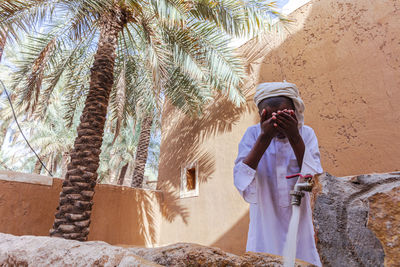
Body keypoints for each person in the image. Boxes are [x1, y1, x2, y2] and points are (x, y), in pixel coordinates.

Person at [233, 81, 322, 266]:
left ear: (295, 112)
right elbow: (241, 179)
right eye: (270, 118)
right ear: (261, 116)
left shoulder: (306, 134)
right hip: (264, 225)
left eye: (284, 116)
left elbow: (311, 179)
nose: (278, 125)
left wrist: (294, 136)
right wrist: (264, 137)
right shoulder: (252, 135)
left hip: (300, 225)